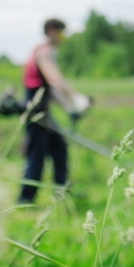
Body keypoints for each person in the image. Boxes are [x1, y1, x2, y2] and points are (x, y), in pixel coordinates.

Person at [18, 18, 91, 204]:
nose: (63, 37)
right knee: (37, 157)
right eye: (61, 32)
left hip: (44, 112)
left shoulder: (43, 51)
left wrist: (68, 107)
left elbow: (49, 92)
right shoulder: (45, 52)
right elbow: (55, 80)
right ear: (52, 31)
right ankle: (25, 200)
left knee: (60, 149)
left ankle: (62, 193)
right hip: (36, 114)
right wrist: (76, 100)